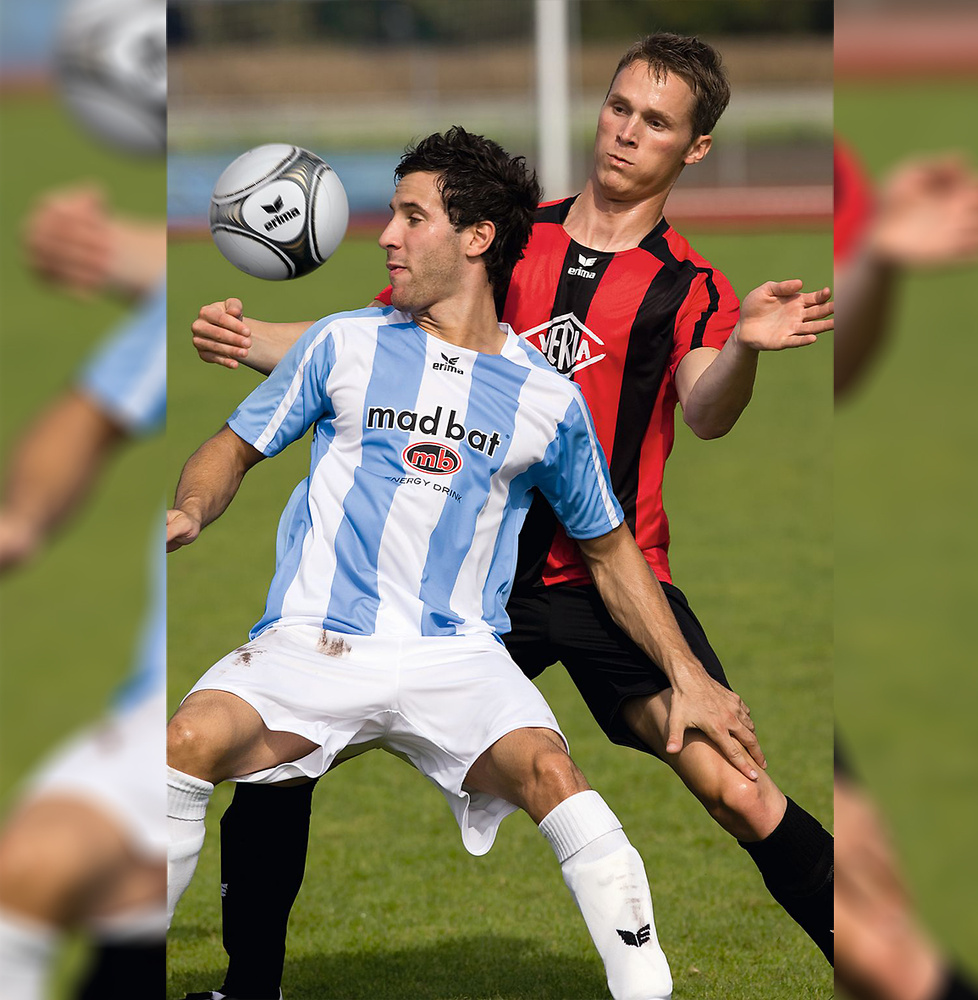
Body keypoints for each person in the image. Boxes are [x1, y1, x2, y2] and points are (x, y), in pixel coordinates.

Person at [188, 34, 834, 998]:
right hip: (463, 581)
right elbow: (371, 342)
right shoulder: (504, 234)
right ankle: (250, 990)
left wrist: (742, 346)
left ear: (693, 149)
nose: (625, 132)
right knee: (274, 752)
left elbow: (705, 411)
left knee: (736, 786)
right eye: (619, 107)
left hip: (608, 581)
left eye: (655, 122)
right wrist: (251, 340)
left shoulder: (689, 288)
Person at [833, 141, 978, 1000]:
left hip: (722, 634)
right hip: (578, 611)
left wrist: (875, 257)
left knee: (877, 942)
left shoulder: (826, 170)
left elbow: (836, 368)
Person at [0, 188, 167, 1000]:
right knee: (34, 865)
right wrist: (21, 517)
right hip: (165, 709)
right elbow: (92, 413)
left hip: (310, 681)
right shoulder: (188, 309)